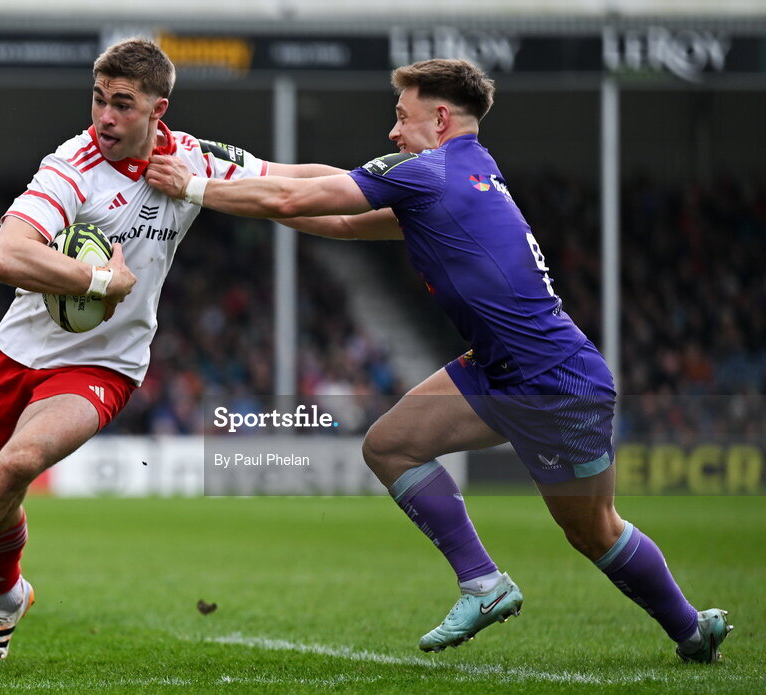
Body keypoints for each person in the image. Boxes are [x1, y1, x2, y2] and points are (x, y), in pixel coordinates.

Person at [145, 58, 732, 663]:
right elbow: (341, 212)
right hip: (498, 370)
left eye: (403, 117)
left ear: (441, 117)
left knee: (593, 529)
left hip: (553, 381)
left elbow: (302, 200)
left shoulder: (432, 173)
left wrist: (194, 187)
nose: (394, 132)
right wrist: (236, 166)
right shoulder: (464, 171)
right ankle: (482, 582)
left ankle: (691, 629)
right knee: (388, 445)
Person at [0, 37, 340, 662]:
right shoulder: (72, 164)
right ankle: (8, 597)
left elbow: (295, 183)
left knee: (18, 465)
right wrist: (100, 281)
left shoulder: (192, 161)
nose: (105, 118)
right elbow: (4, 255)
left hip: (104, 363)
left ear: (159, 110)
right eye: (98, 100)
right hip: (18, 350)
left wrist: (391, 188)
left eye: (123, 104)